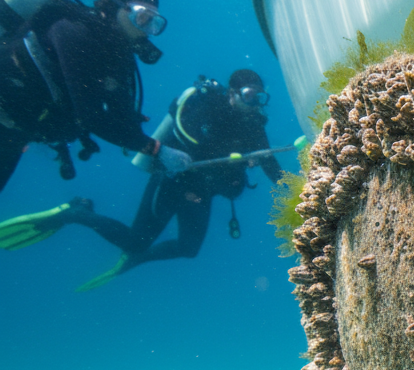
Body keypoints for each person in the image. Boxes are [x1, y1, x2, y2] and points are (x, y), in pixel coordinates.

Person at [0, 69, 284, 290]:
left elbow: (270, 161)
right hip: (173, 181)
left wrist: (296, 192)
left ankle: (137, 259)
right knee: (136, 240)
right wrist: (232, 156)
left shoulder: (253, 125)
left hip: (202, 192)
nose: (254, 103)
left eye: (259, 97)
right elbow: (187, 137)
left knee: (189, 248)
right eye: (249, 95)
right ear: (232, 93)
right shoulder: (208, 105)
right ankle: (77, 213)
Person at [0, 0, 187, 191]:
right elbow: (90, 115)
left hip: (16, 133)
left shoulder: (118, 54)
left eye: (153, 23)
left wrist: (143, 141)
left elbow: (121, 111)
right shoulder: (71, 30)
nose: (145, 30)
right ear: (114, 6)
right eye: (142, 18)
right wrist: (155, 149)